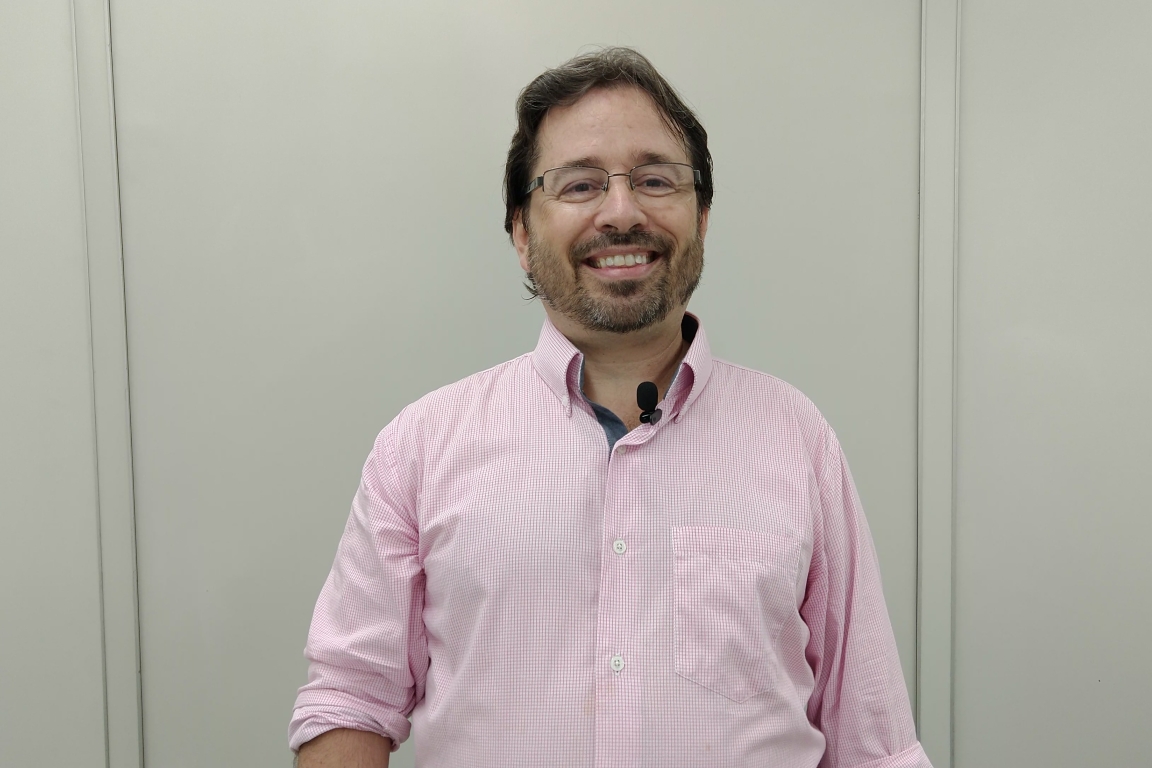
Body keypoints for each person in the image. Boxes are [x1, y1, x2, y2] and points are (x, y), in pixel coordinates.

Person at [290, 47, 932, 768]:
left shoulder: (797, 438)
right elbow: (350, 700)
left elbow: (873, 743)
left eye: (655, 179)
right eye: (580, 184)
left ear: (702, 217)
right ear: (522, 233)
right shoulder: (420, 447)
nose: (622, 212)